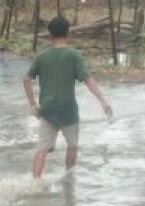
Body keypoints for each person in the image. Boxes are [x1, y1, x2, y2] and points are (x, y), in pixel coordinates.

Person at [22, 16, 113, 179]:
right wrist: (103, 101)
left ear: (50, 34)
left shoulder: (42, 57)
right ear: (67, 33)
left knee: (42, 149)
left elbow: (26, 80)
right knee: (72, 146)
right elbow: (88, 80)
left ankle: (34, 184)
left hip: (48, 110)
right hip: (68, 110)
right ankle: (69, 180)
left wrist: (33, 105)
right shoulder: (73, 55)